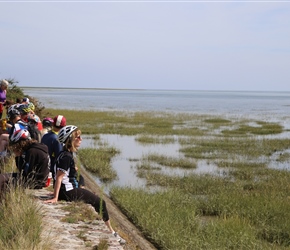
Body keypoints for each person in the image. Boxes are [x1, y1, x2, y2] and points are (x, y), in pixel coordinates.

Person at [44, 125, 126, 245]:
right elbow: (59, 177)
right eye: (78, 137)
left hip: (67, 189)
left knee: (92, 197)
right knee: (100, 202)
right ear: (70, 140)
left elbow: (60, 174)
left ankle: (110, 231)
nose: (81, 139)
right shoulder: (66, 156)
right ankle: (111, 232)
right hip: (67, 191)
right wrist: (55, 197)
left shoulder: (64, 154)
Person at [0, 129, 50, 193]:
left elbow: (24, 173)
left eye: (15, 145)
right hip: (38, 179)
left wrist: (18, 156)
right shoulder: (36, 148)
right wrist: (18, 156)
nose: (14, 148)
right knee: (3, 178)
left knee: (2, 178)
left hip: (36, 182)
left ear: (21, 144)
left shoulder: (32, 152)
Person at [41, 115, 66, 181]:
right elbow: (59, 155)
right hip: (52, 167)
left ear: (53, 124)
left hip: (44, 164)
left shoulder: (45, 135)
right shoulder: (57, 139)